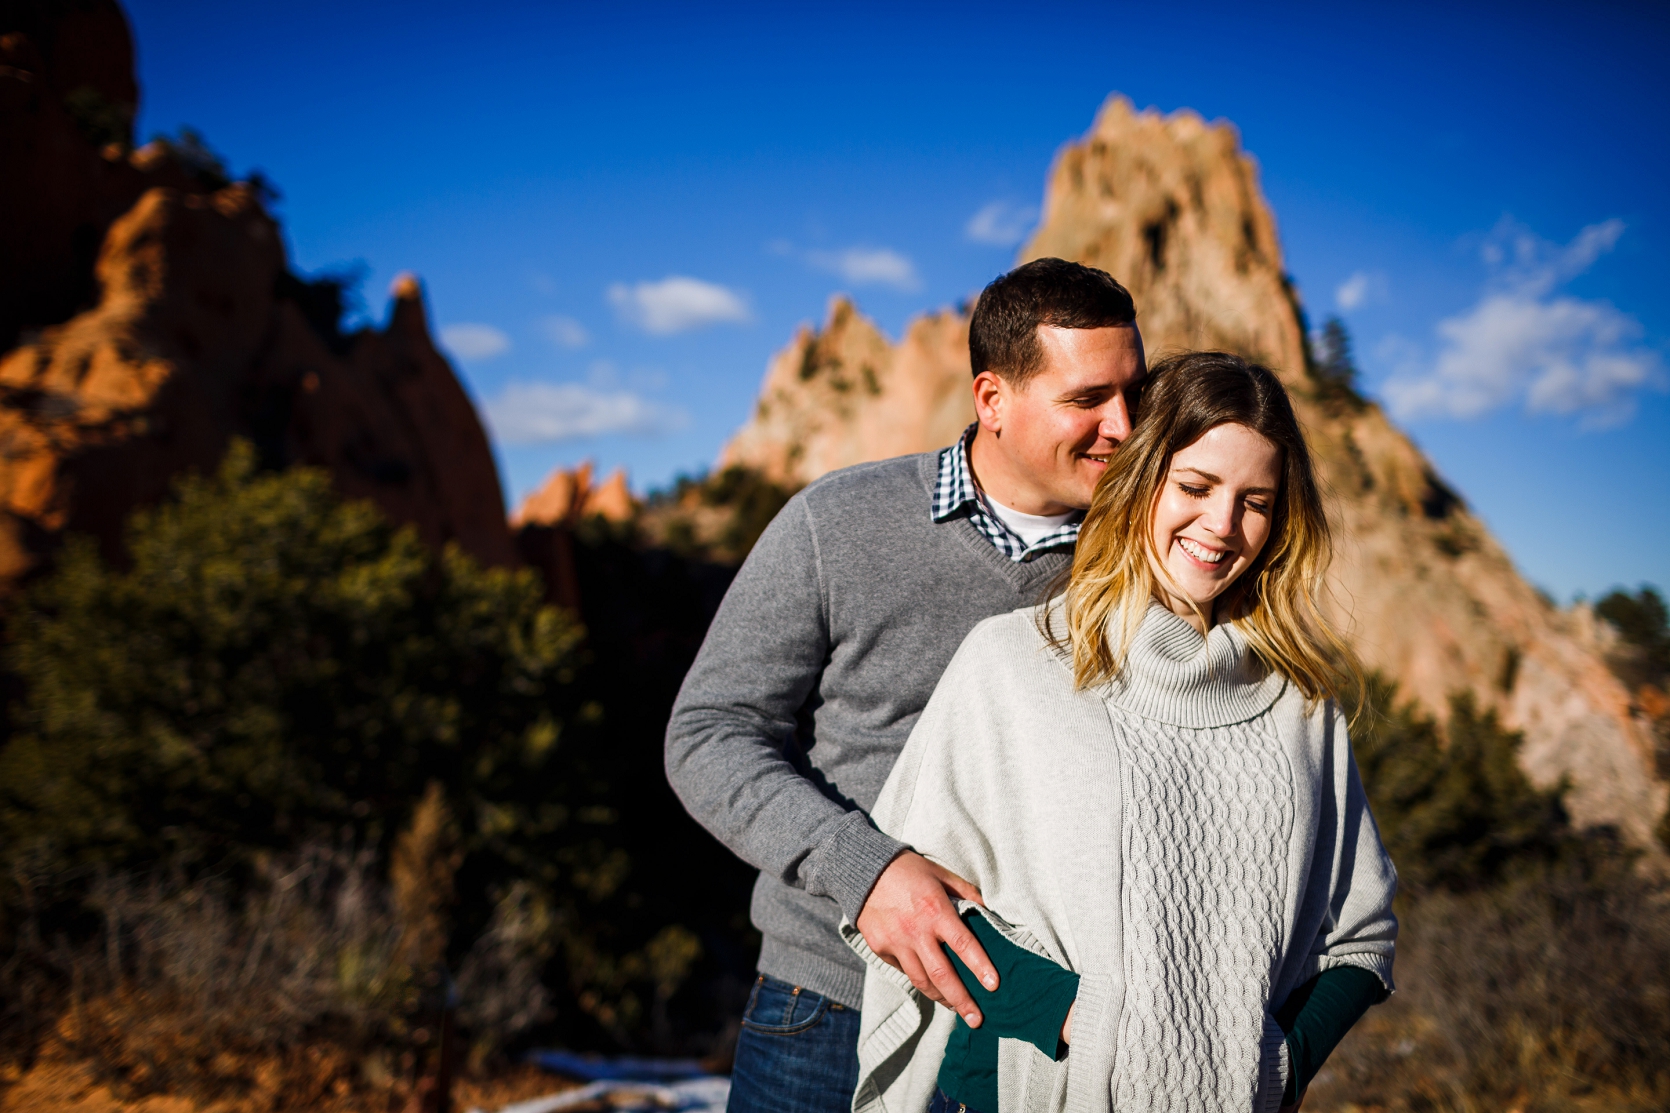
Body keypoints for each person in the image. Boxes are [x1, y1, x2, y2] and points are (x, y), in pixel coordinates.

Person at [844, 351, 1399, 1113]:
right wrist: (1074, 1018)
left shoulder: (1300, 703)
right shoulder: (1013, 661)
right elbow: (912, 910)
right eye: (1196, 487)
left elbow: (1361, 933)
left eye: (1256, 501)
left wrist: (1281, 1062)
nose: (1222, 525)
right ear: (1141, 481)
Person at [665, 258, 1147, 1113]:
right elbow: (708, 732)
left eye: (1132, 394)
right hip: (829, 1005)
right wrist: (866, 870)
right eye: (1088, 399)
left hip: (1041, 1033)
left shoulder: (1145, 562)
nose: (1124, 425)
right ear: (992, 400)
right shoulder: (837, 522)